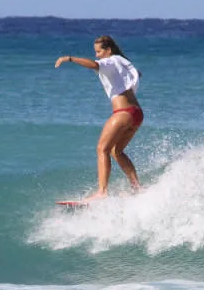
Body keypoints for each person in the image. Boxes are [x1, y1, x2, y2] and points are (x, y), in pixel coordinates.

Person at [55, 35, 143, 202]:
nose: (97, 55)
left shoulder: (109, 62)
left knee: (102, 149)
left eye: (99, 51)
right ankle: (136, 187)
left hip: (123, 113)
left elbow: (94, 65)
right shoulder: (121, 61)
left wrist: (70, 58)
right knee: (116, 151)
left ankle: (102, 192)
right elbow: (135, 74)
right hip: (136, 114)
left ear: (108, 50)